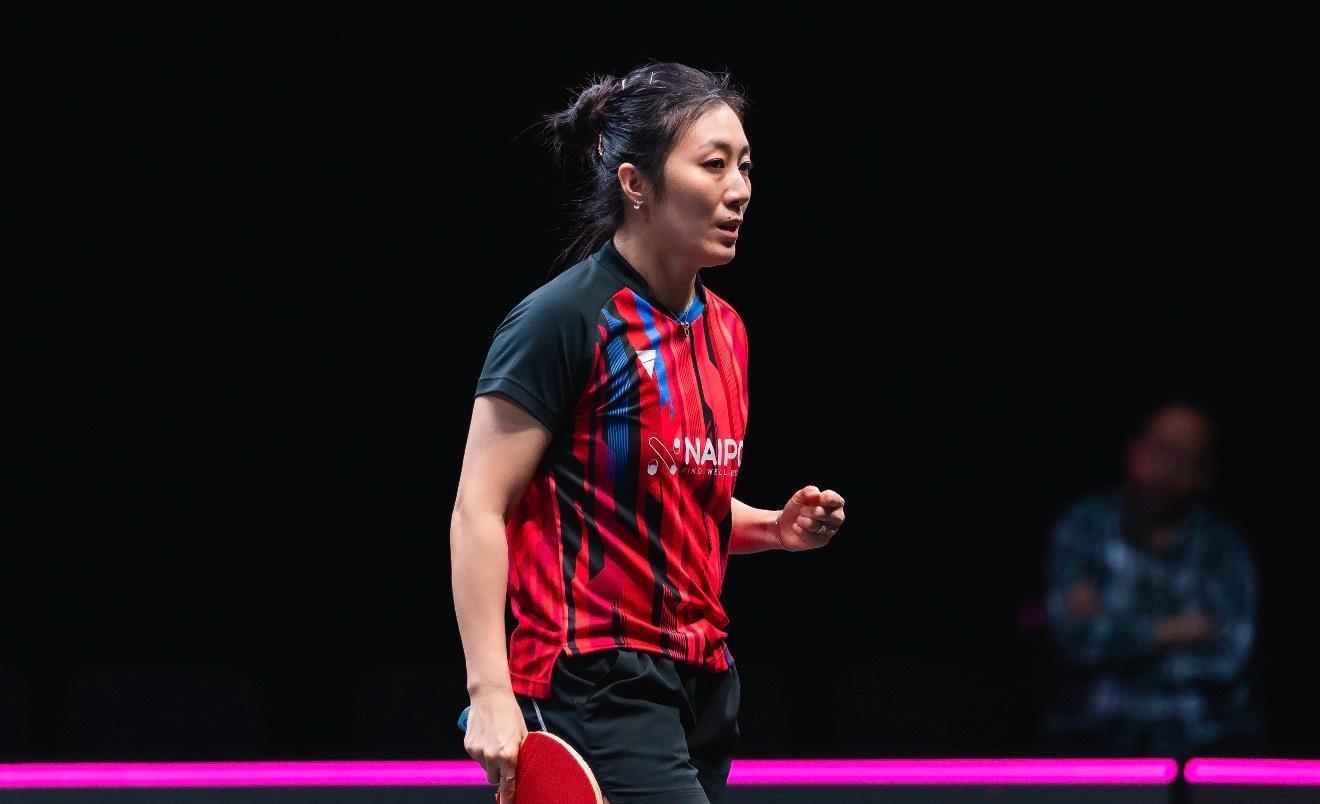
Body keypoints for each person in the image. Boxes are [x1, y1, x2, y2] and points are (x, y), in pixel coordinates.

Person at [450, 62, 847, 803]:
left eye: (745, 166)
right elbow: (479, 507)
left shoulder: (726, 332)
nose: (739, 189)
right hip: (592, 676)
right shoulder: (563, 320)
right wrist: (491, 689)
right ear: (636, 184)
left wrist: (772, 529)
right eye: (714, 165)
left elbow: (664, 506)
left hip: (703, 678)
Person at [1043, 399, 1262, 758]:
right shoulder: (1086, 527)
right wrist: (1179, 630)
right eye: (1158, 447)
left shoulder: (1223, 547)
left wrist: (1116, 632)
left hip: (1202, 738)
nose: (1165, 465)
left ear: (1204, 473)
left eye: (1183, 455)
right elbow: (1075, 639)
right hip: (1094, 739)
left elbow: (1228, 656)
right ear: (1133, 448)